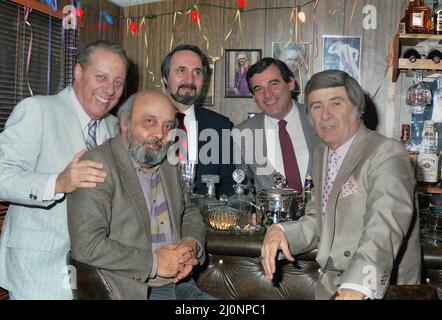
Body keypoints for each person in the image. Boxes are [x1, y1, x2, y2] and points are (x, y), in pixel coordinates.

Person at [260, 70, 421, 300]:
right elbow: (318, 219)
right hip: (331, 287)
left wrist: (359, 284)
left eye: (336, 103)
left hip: (378, 289)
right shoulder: (322, 153)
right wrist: (281, 231)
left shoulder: (386, 152)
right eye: (316, 106)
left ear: (357, 108)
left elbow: (385, 223)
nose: (325, 115)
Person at [0, 40, 128, 299]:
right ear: (78, 72)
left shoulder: (115, 128)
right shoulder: (37, 110)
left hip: (94, 273)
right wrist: (58, 183)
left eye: (118, 82)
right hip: (38, 272)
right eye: (101, 77)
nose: (110, 90)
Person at [67, 90, 213, 300]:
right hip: (134, 289)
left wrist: (191, 245)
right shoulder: (97, 165)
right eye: (149, 121)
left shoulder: (168, 161)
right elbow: (87, 245)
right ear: (125, 124)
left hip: (181, 284)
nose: (159, 134)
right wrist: (154, 263)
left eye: (167, 126)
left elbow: (188, 211)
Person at [233, 57, 318, 195]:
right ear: (253, 97)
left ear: (290, 84)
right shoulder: (242, 133)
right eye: (259, 89)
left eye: (274, 84)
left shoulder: (319, 118)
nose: (268, 94)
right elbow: (243, 191)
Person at [161, 44, 235, 197]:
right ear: (165, 78)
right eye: (181, 70)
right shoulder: (145, 122)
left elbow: (228, 185)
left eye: (197, 72)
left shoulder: (220, 126)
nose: (190, 79)